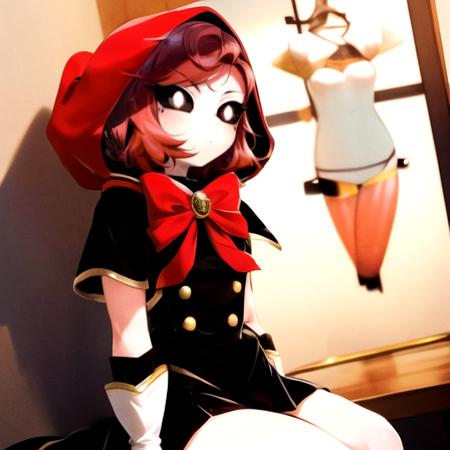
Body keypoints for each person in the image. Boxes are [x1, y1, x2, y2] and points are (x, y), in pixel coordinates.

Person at [9, 5, 403, 450]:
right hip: (183, 391)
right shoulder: (127, 207)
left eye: (229, 109)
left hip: (251, 377)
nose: (211, 129)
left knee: (381, 437)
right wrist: (145, 439)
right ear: (130, 103)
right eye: (181, 100)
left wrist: (278, 391)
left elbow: (249, 317)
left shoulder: (225, 198)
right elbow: (129, 334)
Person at [287, 0, 403, 291]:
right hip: (332, 162)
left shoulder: (366, 39)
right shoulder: (300, 46)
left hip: (380, 154)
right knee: (365, 266)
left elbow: (396, 36)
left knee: (369, 263)